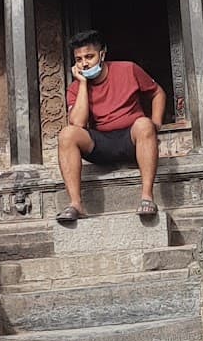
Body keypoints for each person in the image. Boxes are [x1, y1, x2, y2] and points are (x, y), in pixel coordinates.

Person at [57, 30, 165, 223]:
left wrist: (155, 123)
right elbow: (79, 123)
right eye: (79, 59)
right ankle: (76, 204)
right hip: (100, 144)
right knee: (67, 134)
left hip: (131, 139)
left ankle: (147, 197)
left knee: (144, 124)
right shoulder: (74, 89)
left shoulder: (128, 69)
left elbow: (157, 93)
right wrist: (82, 84)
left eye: (89, 56)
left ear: (102, 54)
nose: (84, 63)